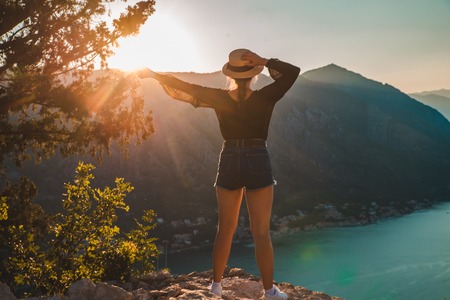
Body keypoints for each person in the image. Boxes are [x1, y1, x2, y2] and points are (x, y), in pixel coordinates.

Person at [136, 49, 300, 299]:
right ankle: (269, 292)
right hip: (257, 158)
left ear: (231, 76)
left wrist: (154, 75)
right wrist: (264, 61)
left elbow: (184, 86)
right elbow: (292, 72)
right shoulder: (265, 97)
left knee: (225, 229)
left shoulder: (219, 98)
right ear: (254, 75)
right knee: (261, 232)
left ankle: (215, 286)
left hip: (229, 158)